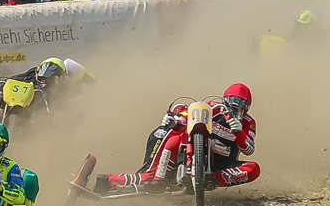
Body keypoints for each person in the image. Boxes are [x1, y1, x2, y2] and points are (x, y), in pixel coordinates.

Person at [92, 83, 260, 195]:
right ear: (224, 101)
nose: (234, 110)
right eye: (231, 104)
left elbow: (249, 149)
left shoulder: (249, 123)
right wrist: (174, 120)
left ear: (247, 108)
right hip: (194, 153)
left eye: (240, 107)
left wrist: (239, 133)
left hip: (222, 164)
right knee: (152, 171)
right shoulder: (212, 108)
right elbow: (188, 114)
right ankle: (108, 181)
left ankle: (211, 179)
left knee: (254, 168)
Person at [0, 57, 94, 121]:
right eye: (42, 78)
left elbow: (63, 110)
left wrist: (72, 117)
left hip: (39, 120)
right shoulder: (30, 76)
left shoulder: (64, 89)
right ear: (37, 71)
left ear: (62, 76)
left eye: (52, 79)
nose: (46, 83)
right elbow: (9, 82)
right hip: (17, 112)